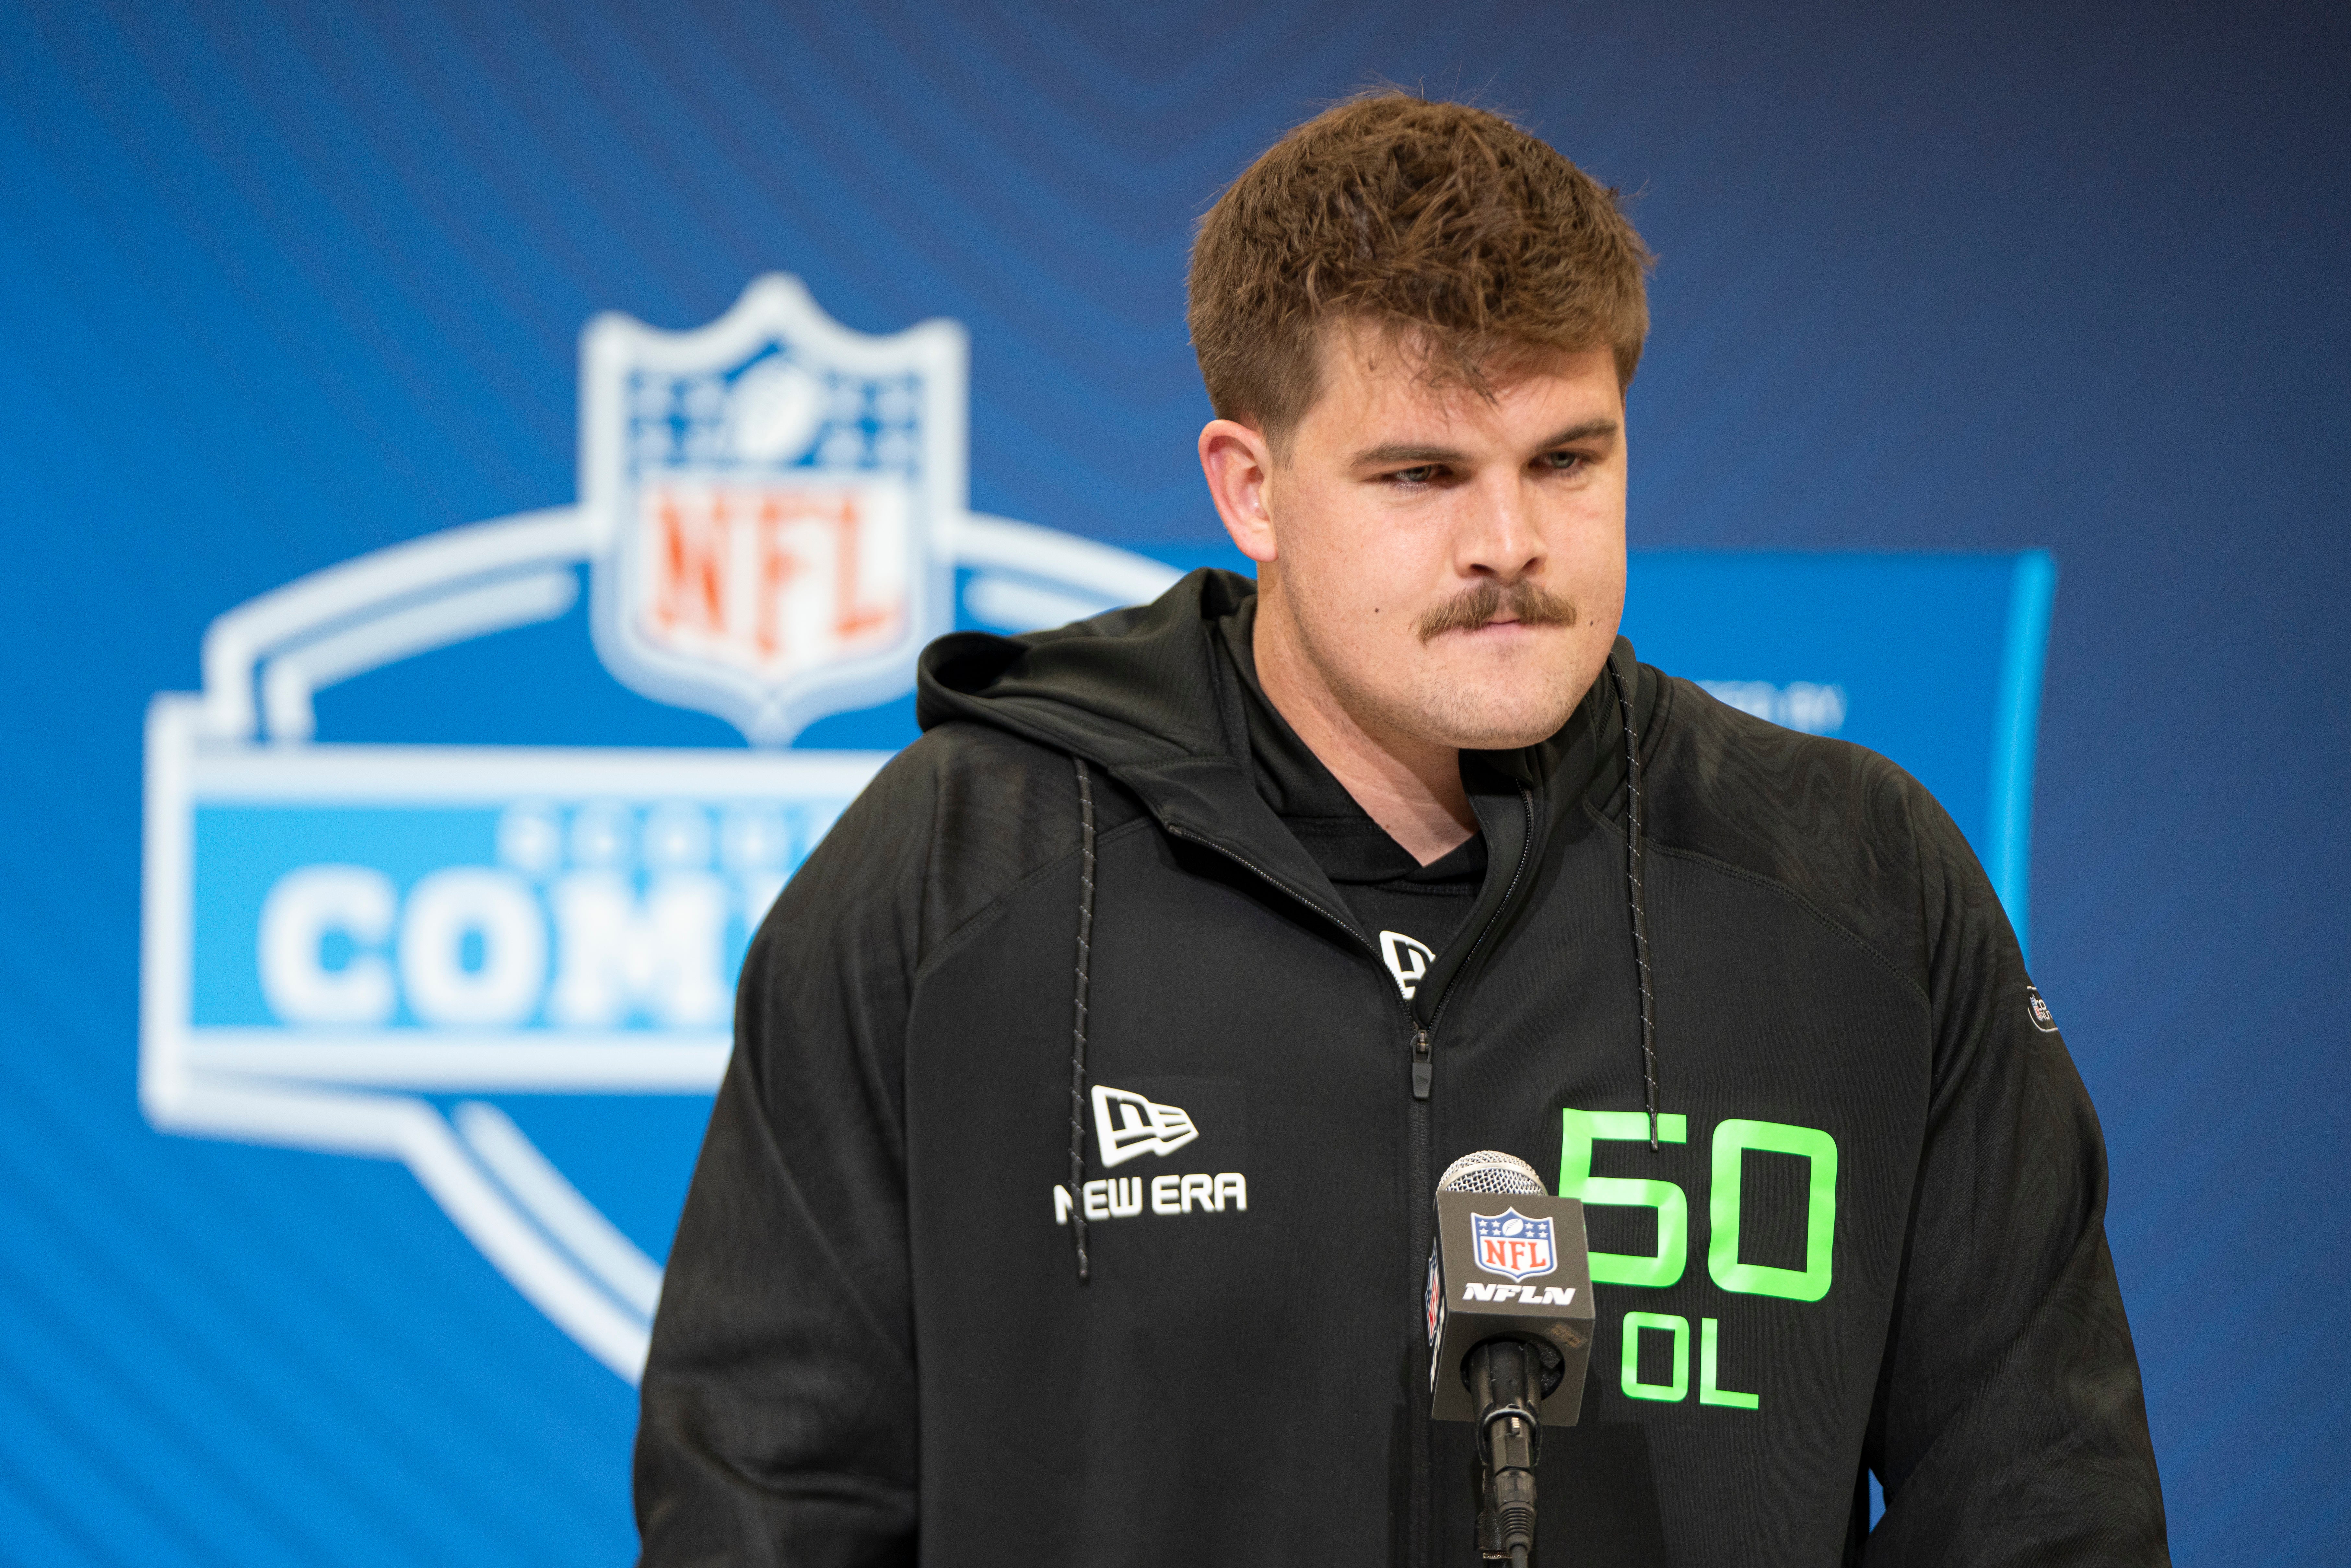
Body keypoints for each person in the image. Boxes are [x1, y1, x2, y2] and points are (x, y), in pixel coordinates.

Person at [635, 92, 2169, 1566]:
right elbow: (764, 1492)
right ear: (1251, 489)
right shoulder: (960, 873)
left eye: (1567, 459)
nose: (1508, 543)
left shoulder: (1854, 884)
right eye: (1421, 474)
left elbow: (2040, 1500)